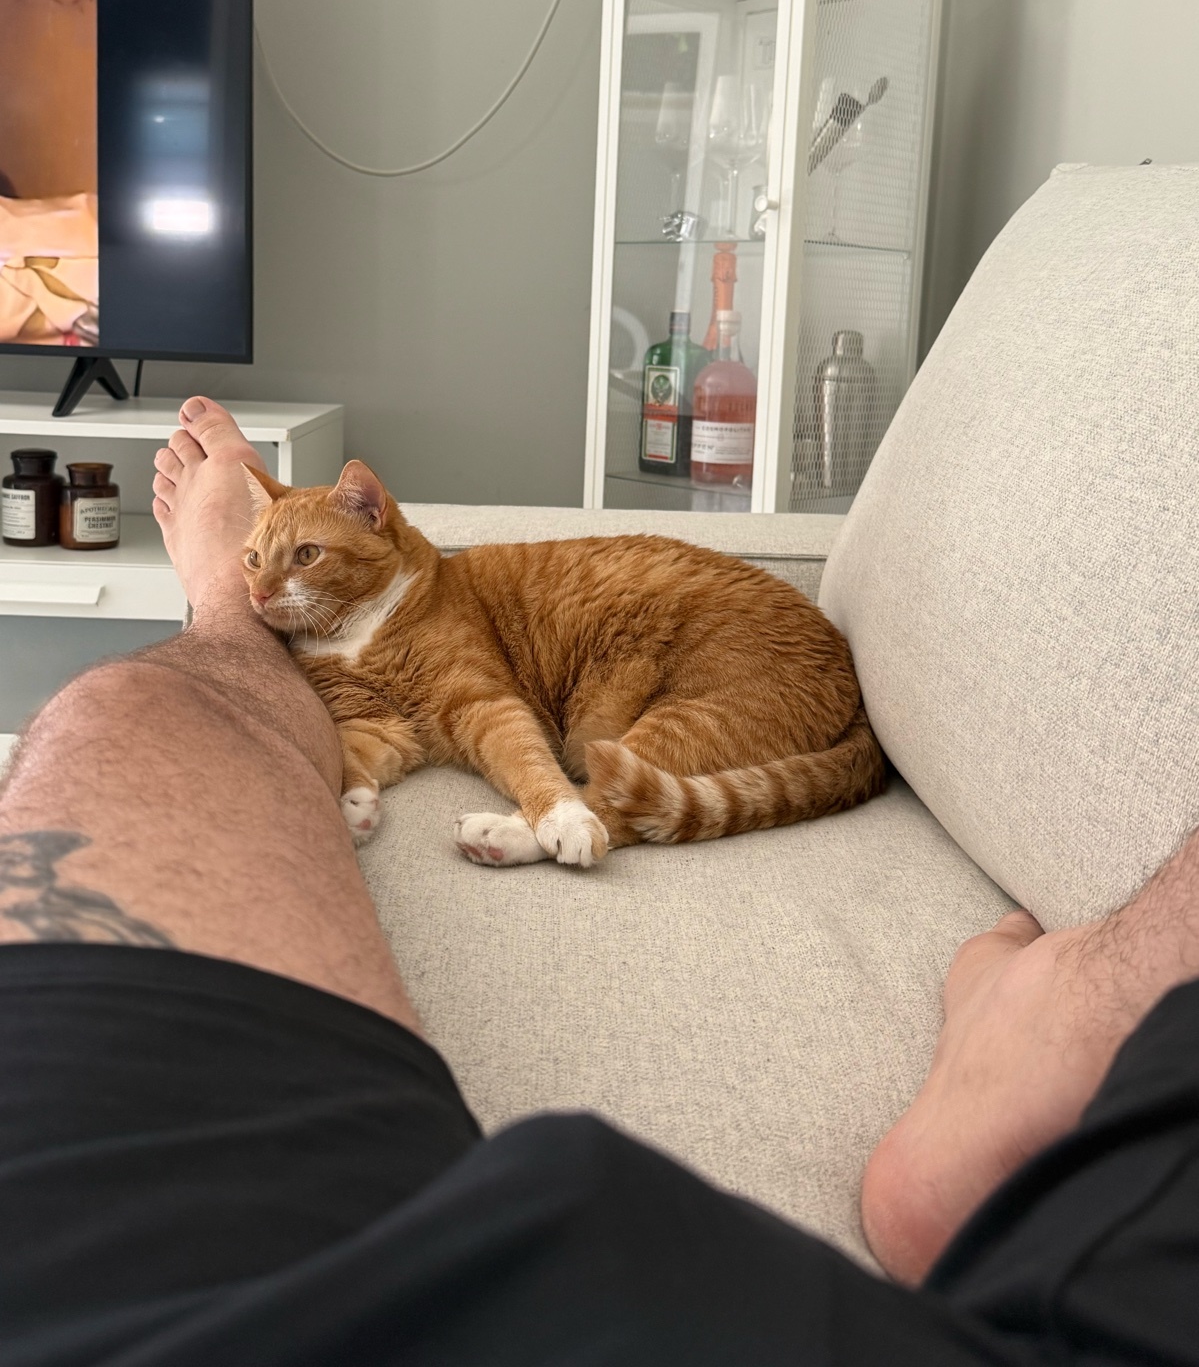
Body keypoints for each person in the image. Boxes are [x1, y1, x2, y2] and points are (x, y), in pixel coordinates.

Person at [0, 397, 1196, 1366]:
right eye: (257, 567)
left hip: (701, 656)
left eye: (286, 559)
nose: (275, 581)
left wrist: (541, 796)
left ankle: (213, 628)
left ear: (380, 522)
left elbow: (473, 705)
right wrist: (357, 771)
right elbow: (403, 719)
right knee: (364, 716)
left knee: (126, 706)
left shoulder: (430, 595)